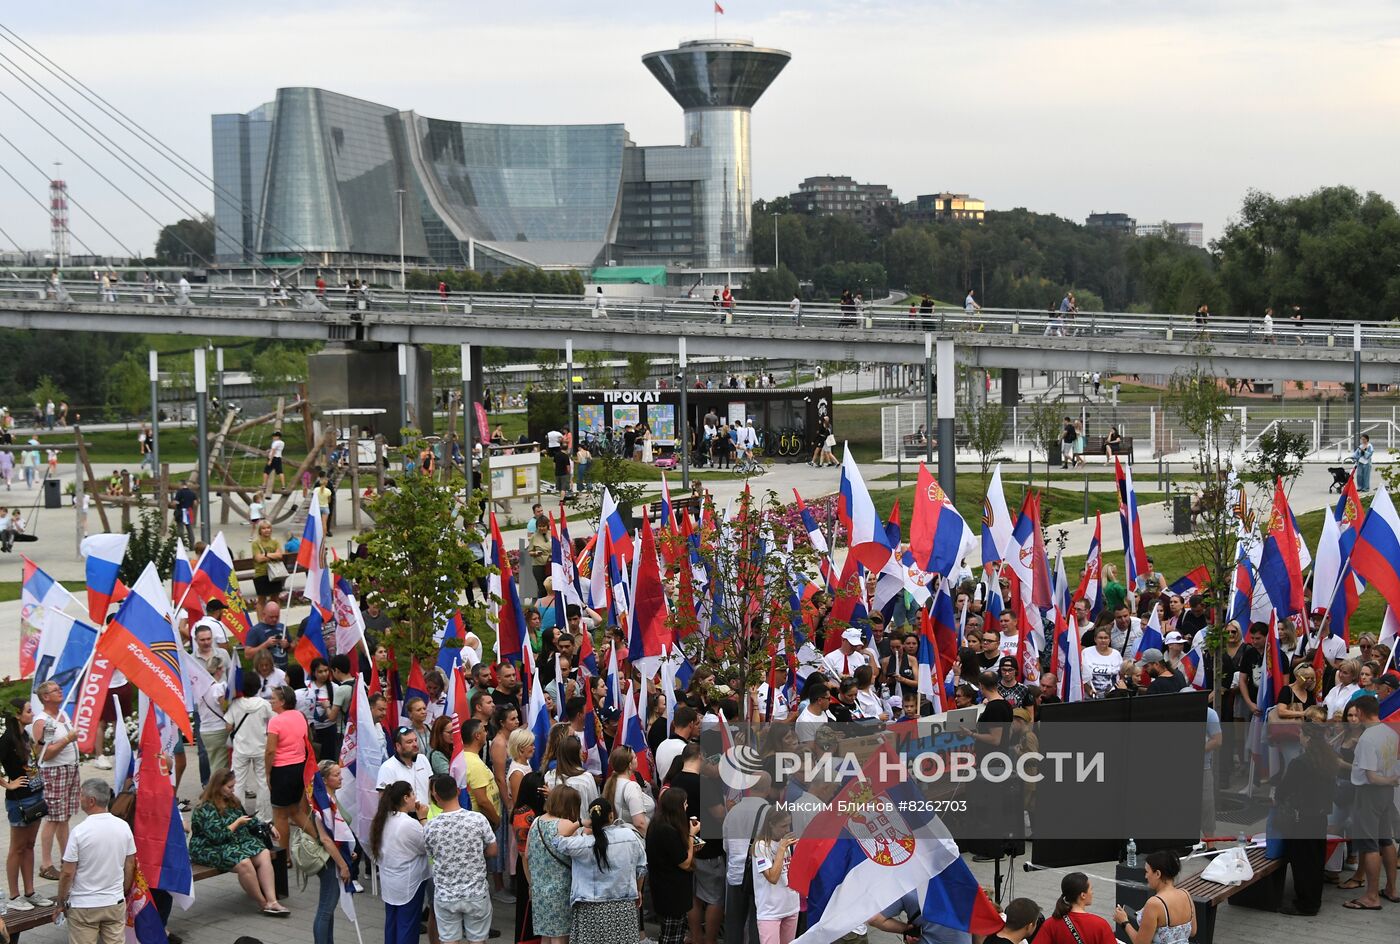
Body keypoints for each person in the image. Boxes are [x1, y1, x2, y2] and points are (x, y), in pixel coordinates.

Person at [189, 769, 289, 916]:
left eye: (233, 786)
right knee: (244, 863)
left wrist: (268, 826)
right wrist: (237, 823)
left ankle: (272, 900)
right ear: (218, 786)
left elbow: (249, 819)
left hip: (232, 842)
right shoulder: (204, 808)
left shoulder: (232, 800)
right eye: (229, 787)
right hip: (209, 847)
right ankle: (263, 903)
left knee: (264, 853)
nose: (233, 790)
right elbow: (217, 836)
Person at [552, 796, 648, 944]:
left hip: (590, 908)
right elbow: (641, 868)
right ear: (611, 816)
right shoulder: (629, 836)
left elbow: (557, 840)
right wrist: (639, 890)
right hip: (623, 906)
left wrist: (580, 822)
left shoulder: (583, 844)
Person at [56, 780, 135, 943]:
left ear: (91, 801)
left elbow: (67, 873)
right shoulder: (123, 827)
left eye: (81, 795)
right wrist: (123, 891)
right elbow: (130, 864)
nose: (79, 798)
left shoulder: (79, 832)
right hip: (114, 902)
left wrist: (60, 902)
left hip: (84, 906)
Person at [424, 773, 499, 944]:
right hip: (476, 893)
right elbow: (493, 850)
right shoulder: (477, 819)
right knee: (478, 940)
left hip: (446, 895)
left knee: (449, 941)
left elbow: (431, 855)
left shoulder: (431, 826)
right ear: (458, 791)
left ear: (435, 795)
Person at [1343, 694, 1400, 910]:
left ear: (1362, 713)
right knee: (1386, 840)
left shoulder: (1368, 738)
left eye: (1356, 712)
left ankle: (1372, 896)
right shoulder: (1389, 732)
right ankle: (1392, 889)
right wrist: (1392, 780)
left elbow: (1371, 776)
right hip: (1386, 793)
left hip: (1370, 792)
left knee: (1369, 845)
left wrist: (1389, 779)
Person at [0, 698, 52, 912]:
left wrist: (42, 742)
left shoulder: (24, 735)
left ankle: (30, 891)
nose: (32, 714)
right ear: (17, 715)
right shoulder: (6, 740)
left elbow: (32, 760)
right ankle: (14, 895)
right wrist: (7, 784)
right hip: (20, 800)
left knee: (30, 845)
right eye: (29, 711)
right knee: (17, 848)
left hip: (36, 794)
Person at [32, 678, 80, 884]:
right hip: (54, 772)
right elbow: (43, 754)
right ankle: (46, 864)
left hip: (70, 769)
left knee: (64, 817)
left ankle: (65, 857)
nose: (60, 692)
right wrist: (67, 739)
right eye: (55, 690)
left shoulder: (62, 715)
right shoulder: (41, 721)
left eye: (60, 688)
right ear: (45, 697)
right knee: (52, 818)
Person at [370, 781, 430, 944]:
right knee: (408, 926)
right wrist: (423, 818)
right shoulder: (408, 823)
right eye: (413, 795)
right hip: (408, 883)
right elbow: (427, 844)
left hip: (390, 881)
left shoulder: (383, 818)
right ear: (405, 798)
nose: (415, 798)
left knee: (392, 924)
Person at [527, 784, 580, 944]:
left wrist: (531, 883)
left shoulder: (535, 822)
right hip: (561, 890)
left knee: (546, 936)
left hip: (539, 889)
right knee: (560, 936)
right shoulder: (564, 824)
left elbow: (526, 855)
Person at [647, 787, 698, 944]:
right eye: (684, 803)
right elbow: (684, 862)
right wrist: (691, 836)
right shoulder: (667, 830)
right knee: (671, 936)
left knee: (674, 933)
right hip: (671, 892)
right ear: (677, 806)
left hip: (664, 888)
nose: (687, 806)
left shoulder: (657, 823)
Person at [752, 807, 801, 944]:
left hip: (791, 906)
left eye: (789, 824)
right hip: (770, 912)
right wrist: (781, 849)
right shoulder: (761, 846)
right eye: (783, 826)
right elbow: (772, 877)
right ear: (771, 824)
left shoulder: (789, 842)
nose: (787, 830)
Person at [1033, 872, 1115, 944]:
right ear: (1083, 895)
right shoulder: (1100, 925)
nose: (1092, 892)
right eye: (1091, 889)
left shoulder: (1050, 924)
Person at [377, 726, 433, 812]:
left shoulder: (423, 759)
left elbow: (430, 789)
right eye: (409, 742)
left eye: (415, 740)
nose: (415, 744)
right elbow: (383, 802)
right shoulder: (387, 767)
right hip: (403, 818)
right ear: (398, 746)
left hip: (426, 814)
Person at [250, 522, 287, 614]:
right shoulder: (256, 543)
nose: (266, 530)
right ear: (260, 531)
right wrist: (273, 555)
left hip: (275, 573)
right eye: (263, 528)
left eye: (268, 528)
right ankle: (261, 621)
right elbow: (258, 558)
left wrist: (266, 555)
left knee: (275, 598)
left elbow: (279, 555)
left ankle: (275, 618)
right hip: (261, 573)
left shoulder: (275, 542)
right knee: (261, 599)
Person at [263, 430, 287, 494]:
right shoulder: (282, 443)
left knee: (266, 471)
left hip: (273, 458)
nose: (273, 437)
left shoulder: (275, 443)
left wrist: (270, 460)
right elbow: (276, 449)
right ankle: (283, 486)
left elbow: (273, 451)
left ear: (278, 437)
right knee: (280, 472)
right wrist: (269, 450)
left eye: (274, 436)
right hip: (279, 458)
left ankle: (264, 485)